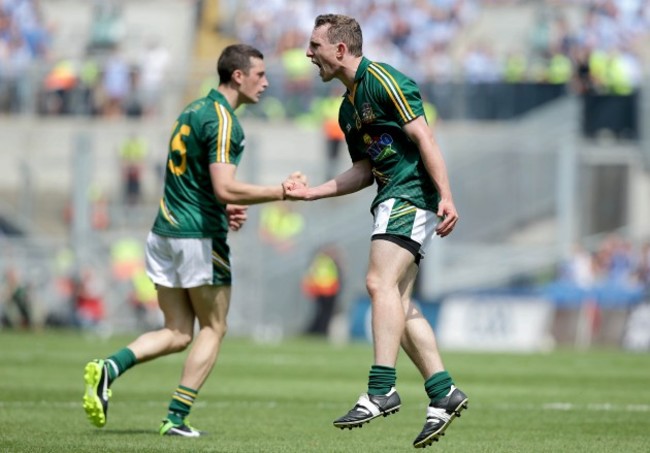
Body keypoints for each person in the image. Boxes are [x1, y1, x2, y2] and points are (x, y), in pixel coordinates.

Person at [82, 43, 305, 438]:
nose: (267, 83)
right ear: (238, 75)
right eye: (260, 74)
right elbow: (224, 187)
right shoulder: (223, 121)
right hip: (197, 239)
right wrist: (281, 191)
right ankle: (176, 417)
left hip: (164, 232)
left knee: (178, 332)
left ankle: (108, 368)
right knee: (214, 328)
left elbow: (197, 183)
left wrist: (223, 205)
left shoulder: (191, 110)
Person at [285, 14, 467, 448]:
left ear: (341, 50)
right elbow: (364, 171)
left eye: (315, 46)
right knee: (398, 303)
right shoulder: (347, 108)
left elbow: (424, 136)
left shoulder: (383, 80)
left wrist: (446, 194)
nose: (308, 55)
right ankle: (443, 393)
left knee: (376, 282)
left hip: (409, 195)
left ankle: (381, 388)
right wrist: (311, 194)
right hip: (390, 195)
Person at [302, 244, 342, 336]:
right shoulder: (326, 261)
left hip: (327, 291)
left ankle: (319, 331)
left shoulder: (322, 261)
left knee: (323, 313)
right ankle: (319, 331)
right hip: (325, 291)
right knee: (323, 314)